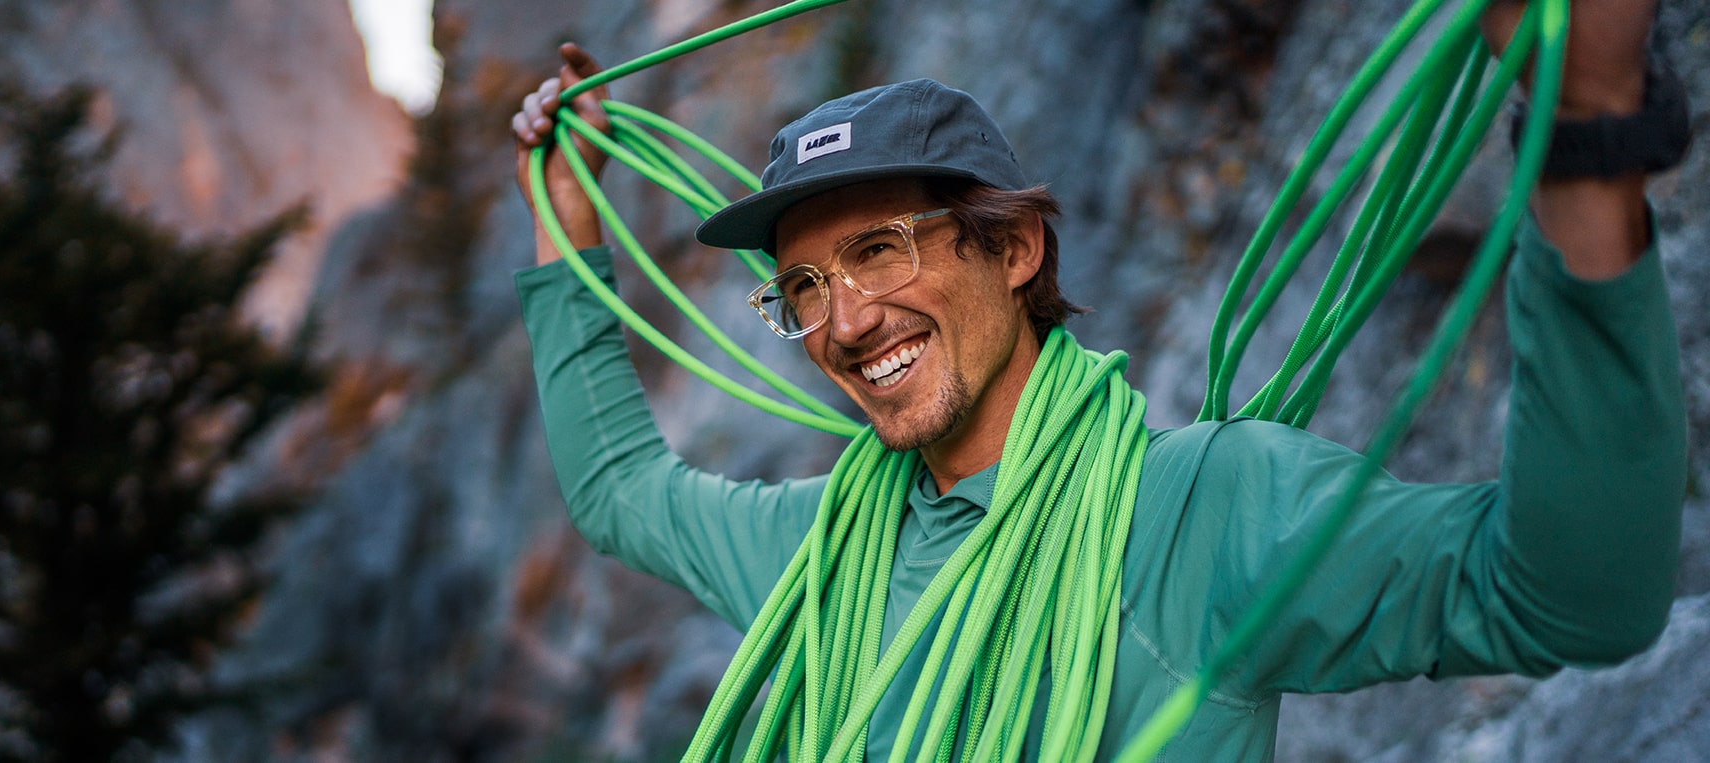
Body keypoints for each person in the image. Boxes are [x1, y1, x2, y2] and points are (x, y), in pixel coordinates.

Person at [509, 1, 1688, 759]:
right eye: (804, 286)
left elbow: (1573, 597)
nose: (847, 321)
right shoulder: (820, 552)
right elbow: (620, 492)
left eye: (881, 249)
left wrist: (1590, 136)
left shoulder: (1206, 509)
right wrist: (566, 226)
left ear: (1015, 249)